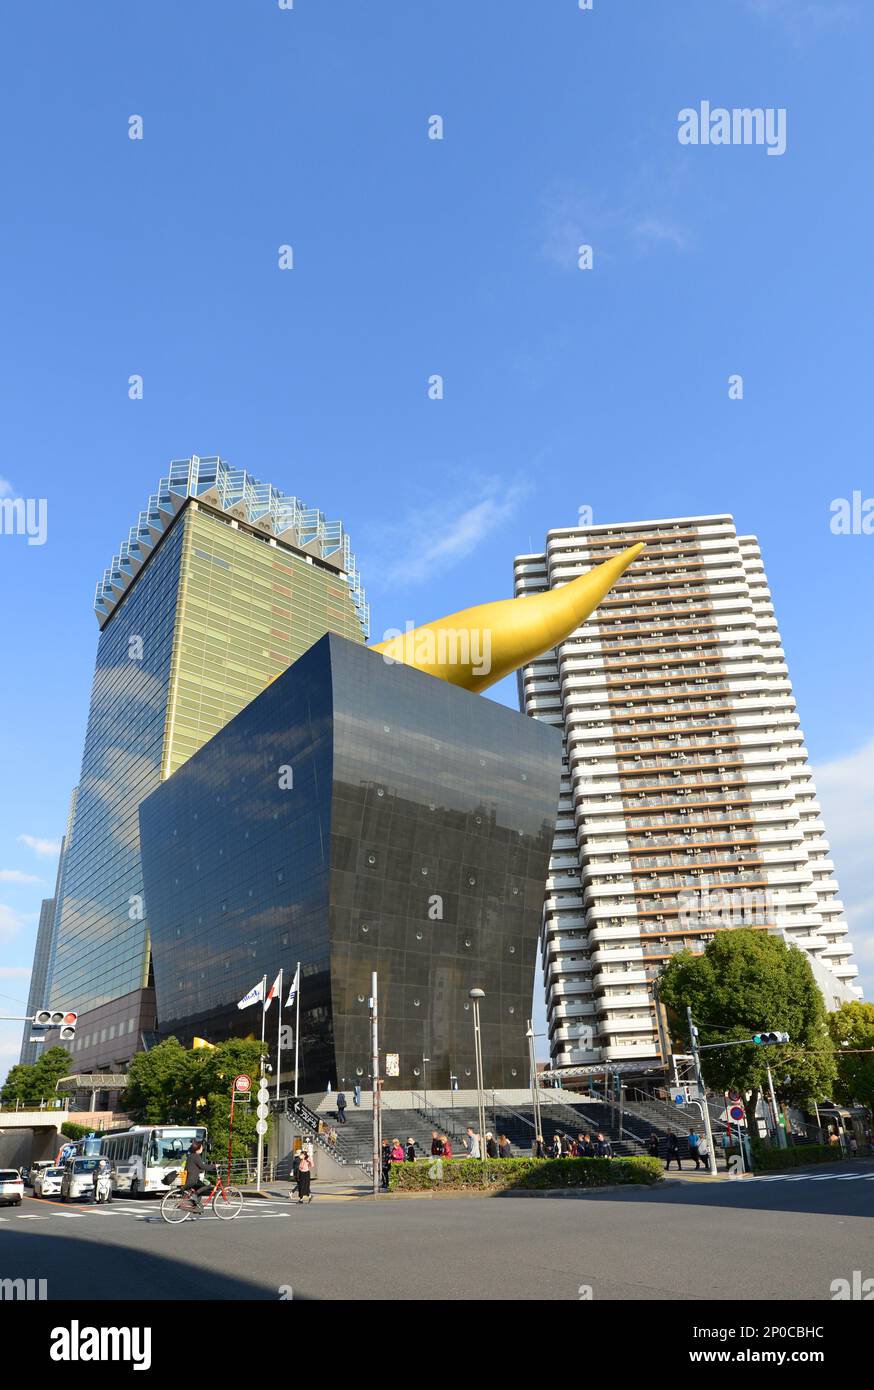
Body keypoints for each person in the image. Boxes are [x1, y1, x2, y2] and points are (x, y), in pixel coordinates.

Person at [182, 1139, 209, 1214]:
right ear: (198, 1149)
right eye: (201, 1147)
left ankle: (195, 1206)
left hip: (189, 1179)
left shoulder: (190, 1156)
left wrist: (198, 1170)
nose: (202, 1148)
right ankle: (194, 1197)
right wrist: (214, 1166)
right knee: (208, 1185)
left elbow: (190, 1167)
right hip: (193, 1180)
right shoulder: (196, 1156)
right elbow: (203, 1166)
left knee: (199, 1188)